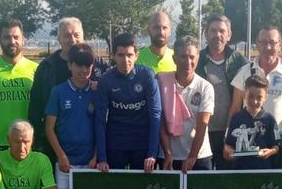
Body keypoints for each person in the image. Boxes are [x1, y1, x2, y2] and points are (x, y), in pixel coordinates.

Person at [45, 42, 97, 189]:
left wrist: (97, 156)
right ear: (69, 65)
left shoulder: (97, 91)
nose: (83, 71)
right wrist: (62, 156)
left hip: (90, 163)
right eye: (78, 66)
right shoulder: (58, 91)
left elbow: (103, 127)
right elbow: (49, 129)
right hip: (65, 164)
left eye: (87, 67)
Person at [28, 17, 106, 159]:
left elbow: (111, 94)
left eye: (76, 35)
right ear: (58, 38)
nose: (72, 39)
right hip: (54, 145)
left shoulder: (98, 64)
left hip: (90, 148)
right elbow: (35, 106)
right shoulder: (47, 67)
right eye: (67, 35)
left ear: (83, 36)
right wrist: (37, 141)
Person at [95, 33, 161, 172]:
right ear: (113, 56)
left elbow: (155, 115)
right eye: (120, 55)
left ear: (136, 55)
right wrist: (102, 158)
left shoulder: (147, 76)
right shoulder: (106, 80)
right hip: (115, 145)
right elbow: (99, 119)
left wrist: (152, 154)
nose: (125, 60)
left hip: (142, 145)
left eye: (129, 55)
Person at [0, 19, 39, 159]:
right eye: (6, 37)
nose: (12, 41)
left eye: (16, 37)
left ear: (23, 39)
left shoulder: (35, 69)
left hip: (27, 141)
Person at [228, 26, 282, 137]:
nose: (268, 47)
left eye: (272, 42)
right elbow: (235, 107)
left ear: (280, 45)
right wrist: (229, 136)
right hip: (251, 138)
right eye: (263, 42)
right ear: (257, 44)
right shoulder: (245, 72)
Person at [195, 14, 248, 168]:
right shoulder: (196, 60)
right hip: (201, 133)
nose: (217, 35)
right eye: (212, 31)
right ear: (206, 34)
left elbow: (259, 78)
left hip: (230, 133)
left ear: (229, 35)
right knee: (202, 182)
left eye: (222, 31)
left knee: (226, 181)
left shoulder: (240, 61)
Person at [160, 36, 214, 171]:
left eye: (192, 57)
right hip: (168, 157)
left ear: (198, 58)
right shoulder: (161, 82)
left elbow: (202, 125)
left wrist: (192, 157)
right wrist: (167, 153)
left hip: (199, 157)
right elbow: (159, 121)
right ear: (174, 58)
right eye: (183, 57)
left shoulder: (205, 87)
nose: (188, 62)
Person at [223, 75, 280, 170]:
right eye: (251, 96)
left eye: (259, 97)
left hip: (263, 169)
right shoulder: (235, 118)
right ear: (244, 94)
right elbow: (227, 145)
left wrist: (270, 151)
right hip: (240, 169)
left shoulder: (270, 119)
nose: (254, 101)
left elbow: (277, 146)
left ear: (265, 97)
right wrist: (230, 152)